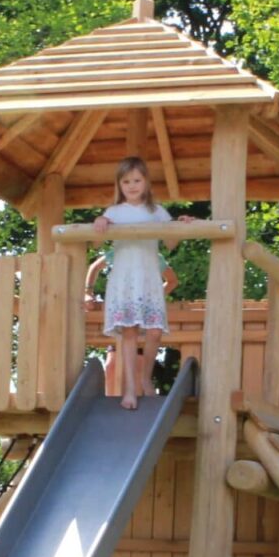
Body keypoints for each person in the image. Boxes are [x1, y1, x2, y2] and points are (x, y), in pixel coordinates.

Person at [83, 156, 195, 409]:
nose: (132, 186)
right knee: (130, 331)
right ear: (119, 185)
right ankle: (130, 390)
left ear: (146, 182)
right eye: (126, 181)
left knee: (155, 331)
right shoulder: (114, 212)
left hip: (148, 279)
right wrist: (100, 222)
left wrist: (181, 225)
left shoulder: (157, 212)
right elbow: (97, 244)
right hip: (124, 279)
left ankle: (145, 379)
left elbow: (170, 243)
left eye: (137, 180)